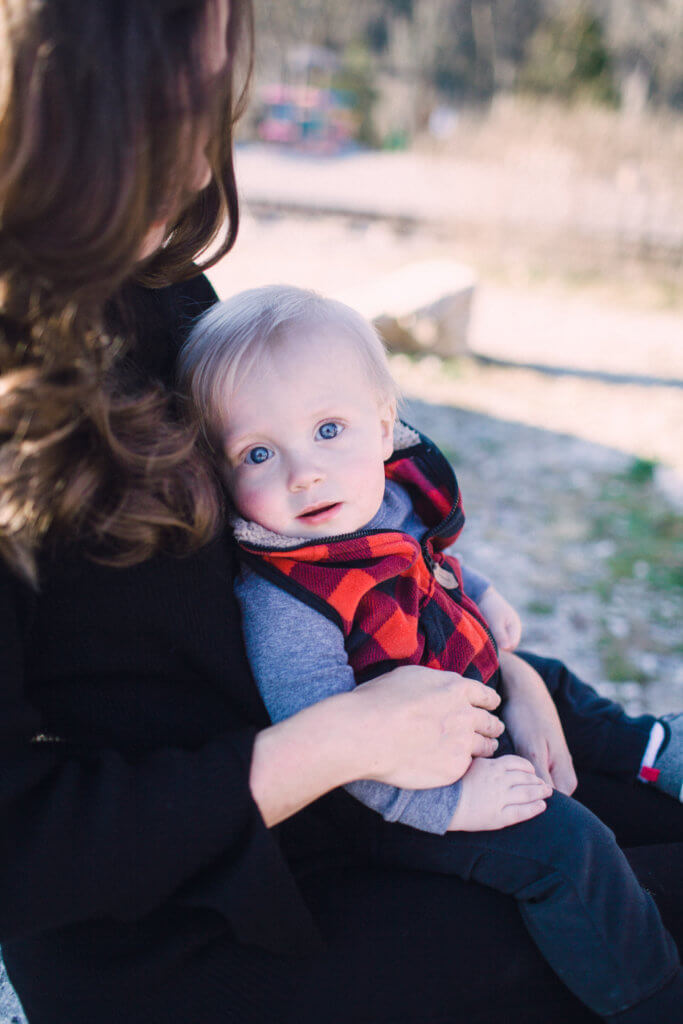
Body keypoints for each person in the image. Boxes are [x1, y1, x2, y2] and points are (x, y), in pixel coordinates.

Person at [1, 2, 682, 1023]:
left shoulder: (151, 283)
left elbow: (338, 504)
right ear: (52, 113)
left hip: (368, 754)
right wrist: (337, 743)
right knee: (624, 902)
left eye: (210, 106)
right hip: (185, 921)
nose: (197, 169)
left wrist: (511, 675)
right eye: (166, 117)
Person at [178, 283, 682, 1020]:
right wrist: (450, 802)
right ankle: (648, 994)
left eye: (328, 430)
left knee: (558, 689)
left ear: (384, 429)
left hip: (460, 687)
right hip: (398, 793)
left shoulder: (385, 500)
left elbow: (425, 562)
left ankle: (651, 747)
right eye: (257, 452)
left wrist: (478, 594)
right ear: (220, 477)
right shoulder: (288, 601)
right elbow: (331, 747)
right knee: (565, 846)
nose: (303, 472)